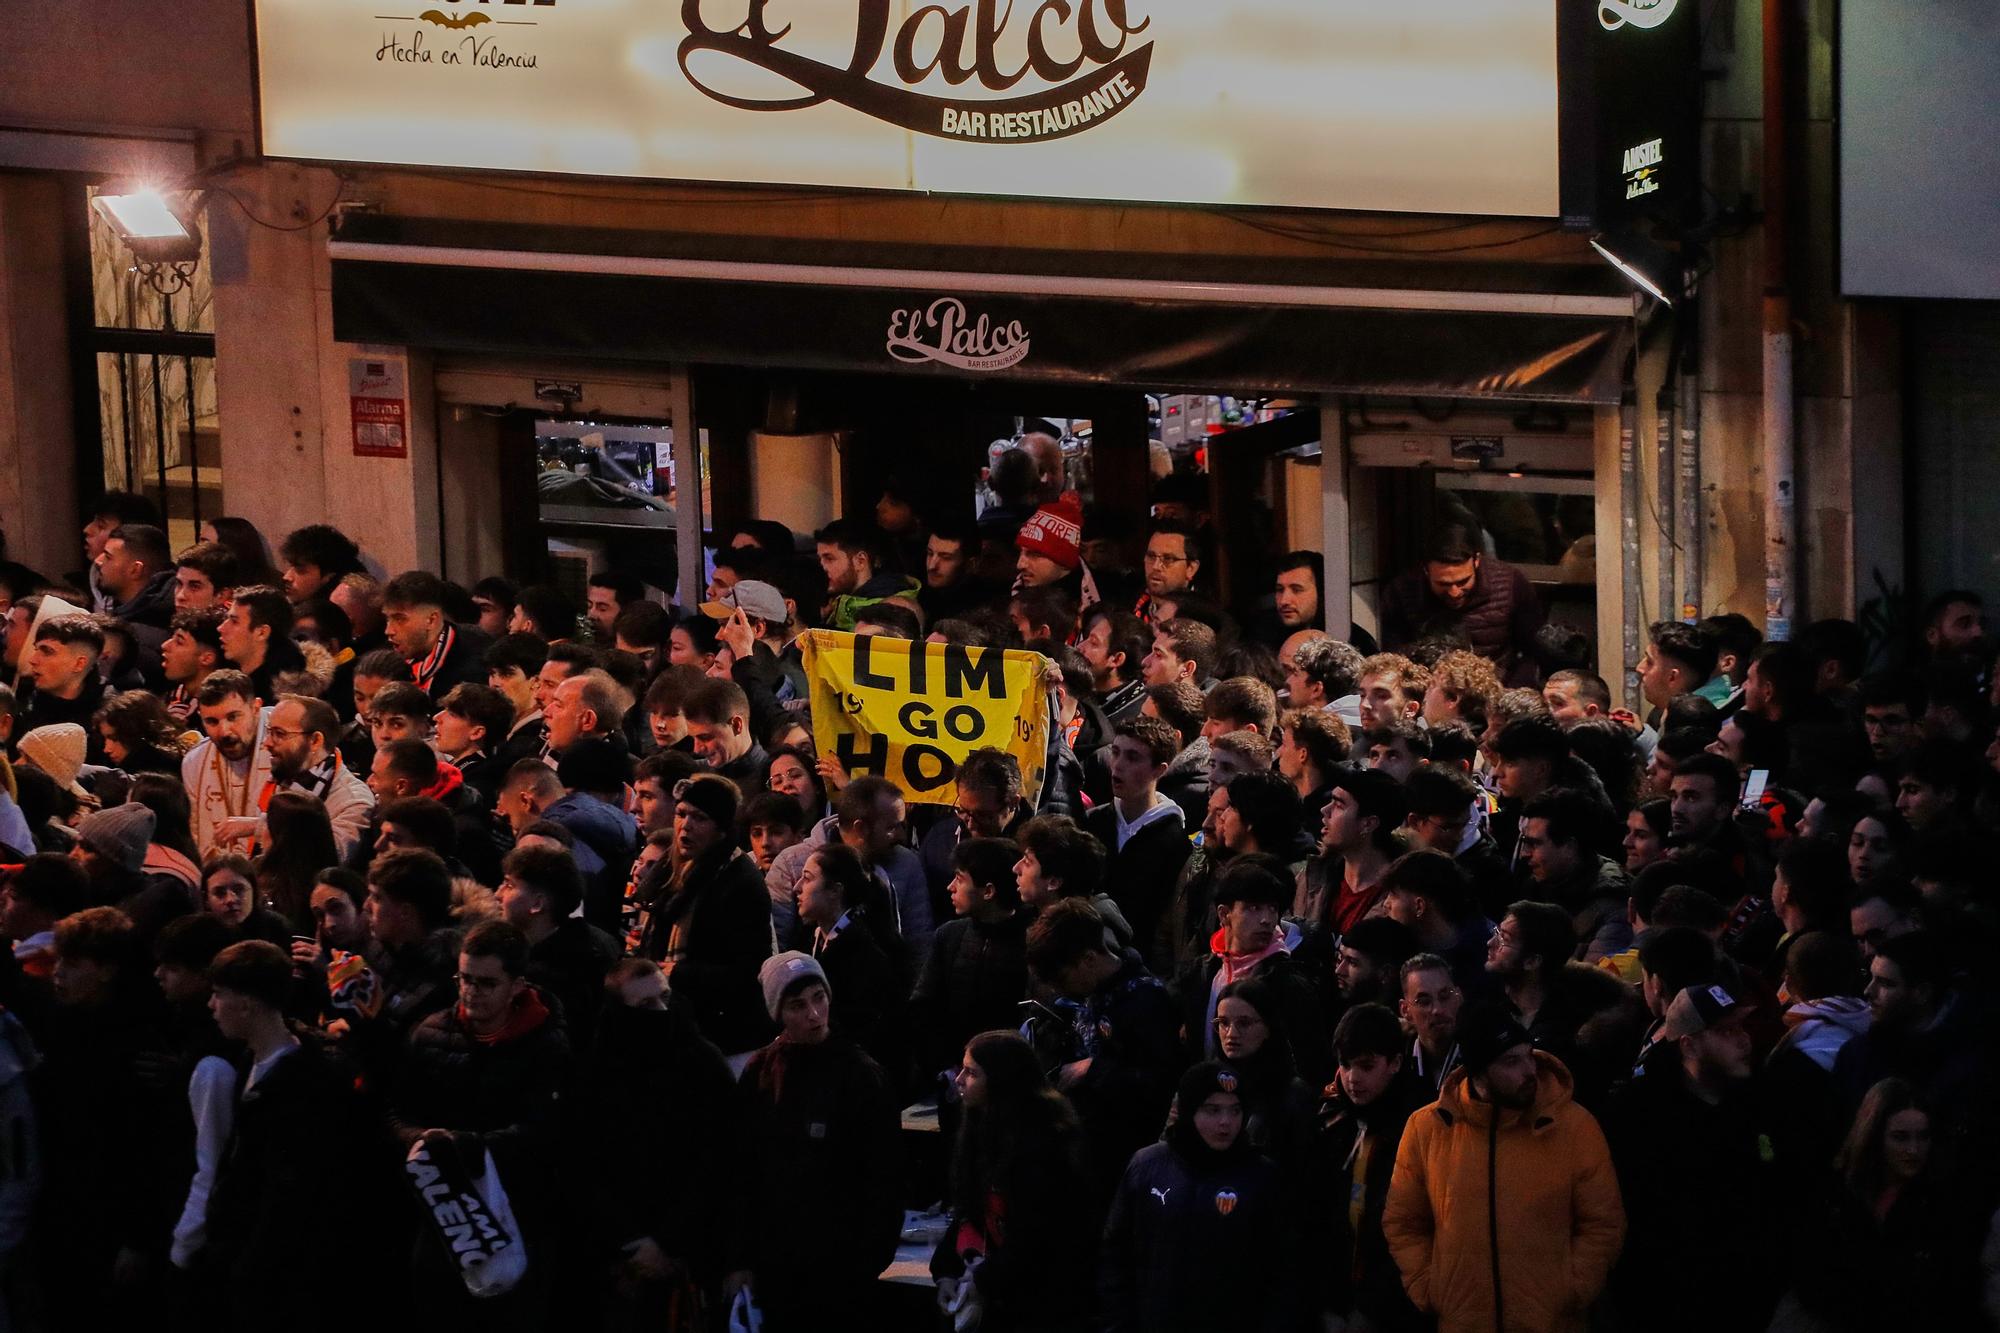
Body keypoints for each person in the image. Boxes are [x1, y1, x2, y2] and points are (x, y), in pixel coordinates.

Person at [1382, 1005, 1624, 1333]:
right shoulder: (1428, 1129)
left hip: (1550, 1322)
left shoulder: (1573, 1127)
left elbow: (1603, 1222)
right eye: (1511, 1062)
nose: (1529, 1071)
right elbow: (1403, 1221)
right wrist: (1430, 1286)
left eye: (1529, 1055)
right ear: (1479, 1072)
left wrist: (1571, 1287)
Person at [390, 919, 571, 1323]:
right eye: (464, 978)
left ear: (517, 986)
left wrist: (469, 1146)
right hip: (443, 1214)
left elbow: (544, 1131)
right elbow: (398, 1111)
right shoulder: (432, 1033)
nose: (471, 991)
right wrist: (421, 1138)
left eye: (486, 983)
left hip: (515, 1213)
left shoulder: (545, 1046)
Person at [728, 952, 902, 1332]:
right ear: (778, 1012)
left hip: (841, 1268)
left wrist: (867, 1260)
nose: (813, 1014)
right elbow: (742, 1169)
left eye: (818, 998)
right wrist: (741, 1258)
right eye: (797, 1005)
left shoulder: (860, 1076)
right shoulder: (760, 1073)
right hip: (776, 1264)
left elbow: (883, 1178)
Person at [1606, 980, 1778, 1332]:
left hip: (1746, 1302)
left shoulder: (1763, 1103)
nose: (1743, 1039)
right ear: (1689, 1044)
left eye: (1742, 1027)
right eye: (1726, 1030)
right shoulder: (1639, 1116)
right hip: (1668, 1303)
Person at [1100, 1060, 1300, 1333]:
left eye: (1235, 1110)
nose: (1225, 1122)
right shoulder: (1147, 1167)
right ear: (1189, 1110)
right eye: (1213, 1110)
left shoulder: (1262, 1177)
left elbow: (1283, 1271)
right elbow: (1116, 1254)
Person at [931, 1030, 1096, 1333]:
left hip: (1043, 1301)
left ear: (1000, 1080)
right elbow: (970, 1206)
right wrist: (946, 1272)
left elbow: (1036, 1237)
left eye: (971, 1073)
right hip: (1002, 1286)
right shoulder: (979, 1130)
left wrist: (983, 1280)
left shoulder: (1044, 1145)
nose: (959, 1080)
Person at [1024, 897, 1180, 1200]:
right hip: (1082, 1149)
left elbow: (1160, 1082)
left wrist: (1094, 1069)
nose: (1058, 987)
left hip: (1124, 1158)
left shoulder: (1145, 1000)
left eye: (1061, 977)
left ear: (1088, 960)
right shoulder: (1084, 996)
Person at [1309, 1003, 1431, 1333]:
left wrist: (1376, 1307)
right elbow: (1316, 1215)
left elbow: (1419, 1227)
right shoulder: (1332, 1118)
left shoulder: (1421, 1126)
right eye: (1345, 1065)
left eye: (1365, 1066)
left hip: (1396, 1306)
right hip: (1335, 1297)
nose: (1352, 1078)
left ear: (1394, 1062)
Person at [643, 774, 773, 1064]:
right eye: (681, 814)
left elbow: (748, 972)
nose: (685, 825)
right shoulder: (676, 868)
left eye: (699, 818)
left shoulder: (740, 883)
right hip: (684, 1029)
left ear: (721, 830)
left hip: (728, 1042)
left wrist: (676, 972)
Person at [1175, 853, 1328, 1087]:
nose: (1267, 919)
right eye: (1253, 908)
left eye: (1272, 909)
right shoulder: (1203, 972)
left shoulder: (1288, 982)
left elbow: (1308, 1063)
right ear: (1224, 914)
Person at [1378, 519, 1547, 685]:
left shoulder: (1510, 584)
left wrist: (1508, 694)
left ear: (1476, 561)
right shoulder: (1401, 592)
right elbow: (1394, 660)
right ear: (1426, 570)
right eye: (1443, 584)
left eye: (1463, 582)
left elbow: (1534, 651)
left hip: (1497, 689)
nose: (1454, 592)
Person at [1085, 717, 1192, 961]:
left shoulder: (1175, 842)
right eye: (1116, 752)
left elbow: (1169, 923)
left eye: (1132, 757)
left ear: (1159, 769)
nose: (1117, 766)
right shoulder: (1092, 822)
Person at [797, 841, 905, 1076]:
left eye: (807, 878)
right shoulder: (812, 937)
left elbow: (863, 1029)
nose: (797, 887)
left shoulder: (865, 952)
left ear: (835, 890)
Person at [496, 842, 620, 1042]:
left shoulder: (560, 976)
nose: (498, 894)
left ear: (537, 904)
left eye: (509, 885)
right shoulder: (563, 951)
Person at [1517, 788, 1632, 963]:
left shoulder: (1613, 906)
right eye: (1525, 843)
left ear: (1570, 847)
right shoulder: (1537, 887)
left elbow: (1590, 980)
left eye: (1534, 844)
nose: (1524, 854)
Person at [262, 693, 374, 860]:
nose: (267, 743)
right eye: (269, 731)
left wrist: (258, 827)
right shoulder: (283, 776)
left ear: (315, 740)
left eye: (280, 734)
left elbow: (329, 857)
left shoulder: (353, 799)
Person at [1380, 849, 1493, 989]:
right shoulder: (1395, 949)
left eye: (1393, 895)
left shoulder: (1488, 952)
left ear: (1419, 906)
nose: (1386, 904)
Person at [381, 570, 492, 700]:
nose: (388, 631)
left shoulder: (473, 671)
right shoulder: (388, 660)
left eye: (399, 619)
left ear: (431, 620)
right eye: (388, 619)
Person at [1398, 953, 1465, 1095]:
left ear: (1459, 997)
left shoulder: (1484, 1056)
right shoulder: (1395, 1064)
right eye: (1424, 1001)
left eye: (1445, 996)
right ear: (1405, 1010)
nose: (1437, 1010)